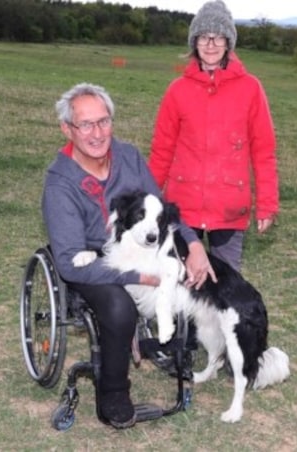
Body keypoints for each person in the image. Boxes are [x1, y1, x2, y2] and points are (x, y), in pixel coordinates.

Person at [41, 82, 215, 429]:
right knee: (120, 307)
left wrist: (194, 245)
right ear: (67, 129)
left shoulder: (129, 157)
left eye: (103, 121)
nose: (97, 133)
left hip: (138, 248)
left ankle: (190, 350)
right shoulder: (60, 183)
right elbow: (67, 261)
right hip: (92, 261)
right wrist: (134, 277)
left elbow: (159, 211)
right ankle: (114, 393)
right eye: (85, 124)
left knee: (190, 274)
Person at [149, 0, 279, 272]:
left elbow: (263, 151)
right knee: (181, 284)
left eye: (218, 36)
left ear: (228, 42)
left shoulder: (251, 89)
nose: (210, 44)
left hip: (229, 209)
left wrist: (267, 203)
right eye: (204, 37)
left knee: (225, 290)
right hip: (183, 207)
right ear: (194, 42)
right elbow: (162, 150)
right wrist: (149, 198)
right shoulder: (177, 91)